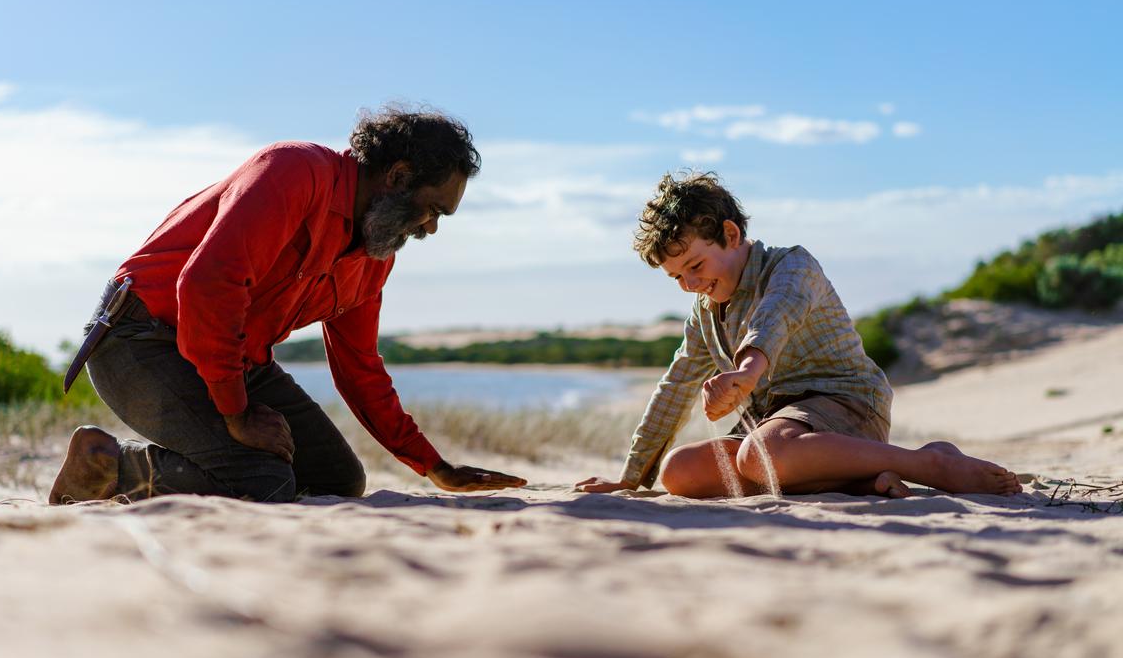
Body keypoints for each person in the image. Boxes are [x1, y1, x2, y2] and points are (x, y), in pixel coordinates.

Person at [50, 107, 527, 504]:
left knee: (340, 480)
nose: (430, 228)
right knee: (263, 481)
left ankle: (158, 467)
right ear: (398, 177)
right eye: (433, 209)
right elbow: (207, 285)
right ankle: (107, 461)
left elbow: (360, 369)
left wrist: (433, 465)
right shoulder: (293, 171)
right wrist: (236, 414)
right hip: (140, 339)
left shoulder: (374, 256)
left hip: (234, 358)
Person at [575, 172, 1021, 499]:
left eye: (695, 266)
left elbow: (775, 318)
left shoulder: (791, 265)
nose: (690, 284)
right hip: (773, 427)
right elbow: (675, 385)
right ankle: (864, 481)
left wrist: (746, 373)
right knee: (681, 472)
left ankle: (928, 462)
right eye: (676, 277)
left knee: (758, 456)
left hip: (845, 405)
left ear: (730, 235)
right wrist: (631, 477)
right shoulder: (704, 312)